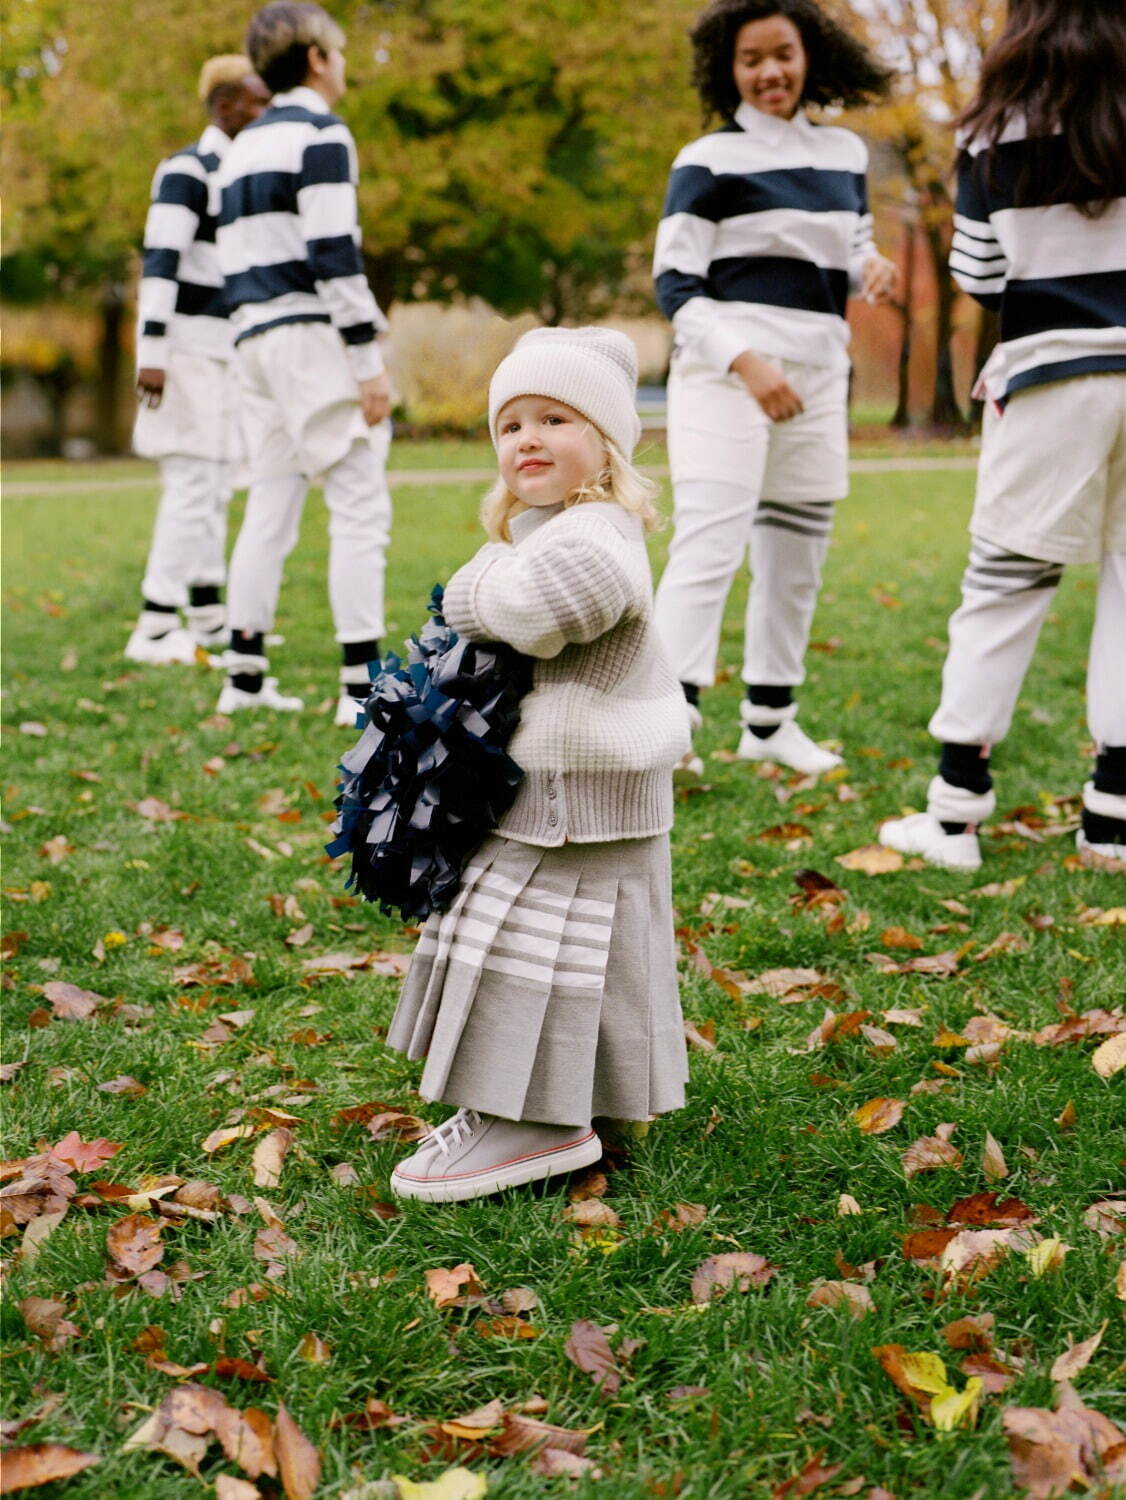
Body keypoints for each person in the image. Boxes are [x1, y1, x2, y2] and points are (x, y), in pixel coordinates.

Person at [386, 328, 691, 1203]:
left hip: (582, 802)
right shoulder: (564, 530)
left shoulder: (597, 536)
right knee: (555, 959)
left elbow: (541, 610)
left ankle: (536, 1124)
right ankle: (559, 1107)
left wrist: (470, 586)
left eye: (554, 418)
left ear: (604, 445)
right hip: (565, 799)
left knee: (536, 955)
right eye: (510, 423)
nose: (526, 438)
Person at [879, 0, 1126, 872]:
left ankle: (953, 815)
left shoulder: (996, 126)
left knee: (1004, 588)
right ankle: (1112, 818)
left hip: (1055, 376)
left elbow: (979, 272)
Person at [653, 0, 897, 779]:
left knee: (797, 553)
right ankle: (666, 726)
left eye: (783, 54)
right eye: (751, 59)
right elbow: (675, 284)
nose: (770, 72)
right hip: (728, 375)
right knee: (711, 544)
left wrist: (873, 266)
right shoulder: (706, 159)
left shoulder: (845, 154)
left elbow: (850, 241)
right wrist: (747, 363)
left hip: (821, 372)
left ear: (809, 56)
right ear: (728, 70)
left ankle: (769, 722)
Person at [215, 1, 393, 724]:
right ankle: (360, 688)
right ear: (317, 58)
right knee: (358, 506)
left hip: (249, 339)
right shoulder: (322, 135)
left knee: (272, 502)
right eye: (340, 51)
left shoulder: (240, 149)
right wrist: (366, 357)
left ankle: (245, 675)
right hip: (310, 334)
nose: (343, 63)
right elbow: (334, 254)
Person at [126, 56, 270, 666]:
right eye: (256, 101)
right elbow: (161, 261)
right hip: (183, 348)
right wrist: (152, 352)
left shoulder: (240, 173)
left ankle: (207, 615)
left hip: (223, 350)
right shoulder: (187, 170)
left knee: (213, 484)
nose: (266, 111)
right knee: (190, 483)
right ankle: (156, 624)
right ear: (225, 105)